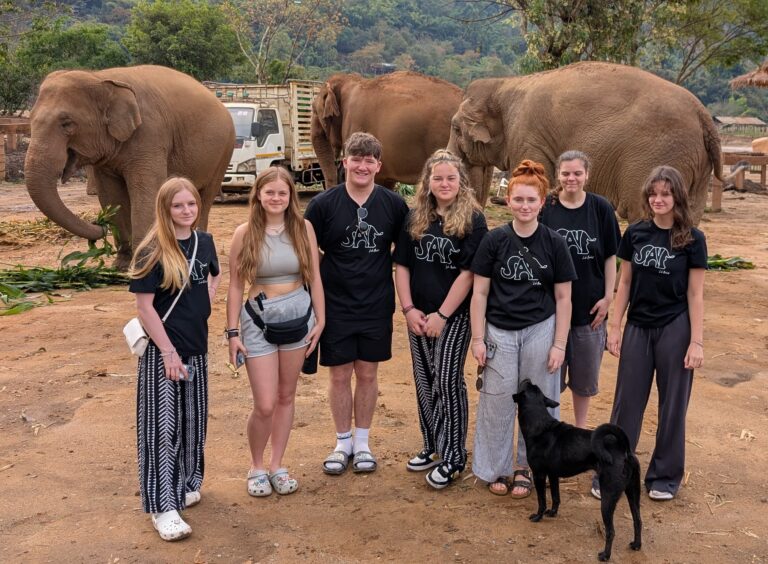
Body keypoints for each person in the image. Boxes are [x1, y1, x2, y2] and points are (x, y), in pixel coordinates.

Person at [470, 160, 576, 498]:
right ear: (508, 200)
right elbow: (480, 292)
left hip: (540, 329)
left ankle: (528, 467)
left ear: (542, 203)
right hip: (499, 330)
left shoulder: (554, 243)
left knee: (538, 406)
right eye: (519, 200)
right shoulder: (495, 240)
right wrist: (477, 338)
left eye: (532, 200)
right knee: (497, 401)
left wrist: (559, 344)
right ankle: (496, 467)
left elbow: (563, 298)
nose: (525, 206)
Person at [305, 132, 409, 475]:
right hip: (335, 304)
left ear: (378, 166)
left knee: (367, 372)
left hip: (377, 303)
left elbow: (405, 253)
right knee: (338, 375)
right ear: (344, 161)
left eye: (370, 160)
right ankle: (342, 442)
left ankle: (363, 443)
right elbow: (307, 253)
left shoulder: (394, 205)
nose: (362, 166)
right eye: (356, 158)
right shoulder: (322, 205)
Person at [129, 177, 221, 541]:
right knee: (160, 429)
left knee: (191, 423)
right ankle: (162, 505)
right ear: (165, 210)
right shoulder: (152, 249)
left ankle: (185, 484)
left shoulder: (205, 242)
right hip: (162, 352)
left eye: (192, 204)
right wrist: (167, 350)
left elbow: (214, 275)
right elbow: (145, 307)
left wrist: (206, 304)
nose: (187, 211)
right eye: (178, 206)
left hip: (196, 347)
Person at [606, 165, 706, 501]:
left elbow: (695, 294)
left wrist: (696, 341)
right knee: (626, 403)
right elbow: (625, 284)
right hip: (638, 325)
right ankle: (615, 469)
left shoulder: (693, 238)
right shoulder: (635, 233)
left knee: (673, 404)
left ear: (678, 196)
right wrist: (614, 326)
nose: (658, 199)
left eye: (665, 193)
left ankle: (664, 475)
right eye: (653, 193)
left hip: (675, 327)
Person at [226, 166, 325, 497]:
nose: (276, 198)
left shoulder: (303, 228)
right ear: (258, 194)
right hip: (258, 321)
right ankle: (255, 465)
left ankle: (276, 465)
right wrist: (232, 333)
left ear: (290, 197)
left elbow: (315, 278)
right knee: (265, 403)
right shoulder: (244, 233)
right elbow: (236, 285)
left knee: (286, 395)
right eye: (270, 192)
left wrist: (320, 321)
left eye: (283, 193)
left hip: (298, 318)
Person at [393, 149, 488, 489]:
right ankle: (433, 444)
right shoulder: (416, 216)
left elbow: (469, 274)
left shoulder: (473, 220)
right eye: (438, 178)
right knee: (424, 381)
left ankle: (455, 456)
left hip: (454, 315)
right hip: (418, 314)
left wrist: (443, 315)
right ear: (428, 182)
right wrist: (408, 309)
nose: (444, 184)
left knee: (447, 380)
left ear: (461, 182)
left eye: (451, 178)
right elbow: (402, 265)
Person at [539, 151, 621, 497]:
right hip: (549, 314)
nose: (571, 179)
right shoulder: (547, 208)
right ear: (557, 175)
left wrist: (609, 297)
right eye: (565, 173)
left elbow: (610, 256)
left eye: (577, 173)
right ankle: (550, 441)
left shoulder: (600, 208)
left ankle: (582, 439)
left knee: (584, 382)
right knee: (549, 380)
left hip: (589, 311)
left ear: (587, 174)